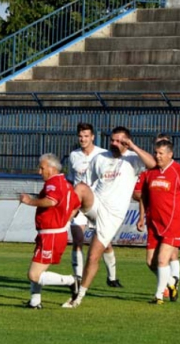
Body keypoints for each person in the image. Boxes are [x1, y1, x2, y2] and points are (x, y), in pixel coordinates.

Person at [62, 126, 156, 308]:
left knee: (93, 256)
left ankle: (78, 296)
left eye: (120, 141)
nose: (114, 143)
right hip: (96, 203)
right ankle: (61, 222)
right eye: (113, 140)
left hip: (112, 215)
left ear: (127, 143)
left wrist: (133, 146)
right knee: (80, 188)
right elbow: (87, 183)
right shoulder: (100, 158)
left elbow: (152, 164)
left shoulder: (133, 159)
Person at [20, 153, 81, 309]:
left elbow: (51, 201)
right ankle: (35, 302)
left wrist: (30, 201)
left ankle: (71, 281)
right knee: (37, 269)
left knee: (34, 274)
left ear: (52, 168)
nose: (39, 172)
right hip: (52, 233)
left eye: (42, 168)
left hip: (51, 234)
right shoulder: (66, 184)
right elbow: (76, 205)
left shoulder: (53, 183)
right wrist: (65, 219)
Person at [67, 123, 122, 287]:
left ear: (92, 137)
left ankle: (112, 278)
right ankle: (77, 279)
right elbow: (71, 179)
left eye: (86, 136)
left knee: (105, 244)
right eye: (80, 136)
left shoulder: (103, 154)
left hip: (98, 203)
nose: (82, 139)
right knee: (78, 240)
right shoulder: (73, 155)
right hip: (79, 204)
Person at [134, 138, 180, 304]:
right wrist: (141, 216)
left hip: (173, 223)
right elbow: (142, 197)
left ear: (170, 154)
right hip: (153, 222)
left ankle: (159, 296)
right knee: (150, 262)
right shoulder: (150, 172)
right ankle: (171, 283)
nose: (157, 156)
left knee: (162, 259)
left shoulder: (177, 171)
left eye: (161, 153)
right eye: (156, 153)